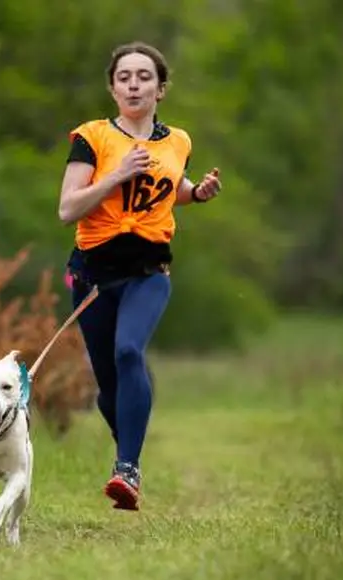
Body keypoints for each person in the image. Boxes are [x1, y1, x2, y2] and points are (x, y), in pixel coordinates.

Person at [58, 41, 222, 511]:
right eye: (124, 76)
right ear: (112, 88)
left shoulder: (179, 141)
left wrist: (197, 193)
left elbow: (170, 188)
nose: (134, 84)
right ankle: (127, 444)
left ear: (160, 89)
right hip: (92, 278)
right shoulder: (92, 138)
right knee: (109, 387)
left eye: (144, 77)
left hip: (148, 272)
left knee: (130, 352)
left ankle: (126, 469)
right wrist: (114, 176)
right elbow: (68, 209)